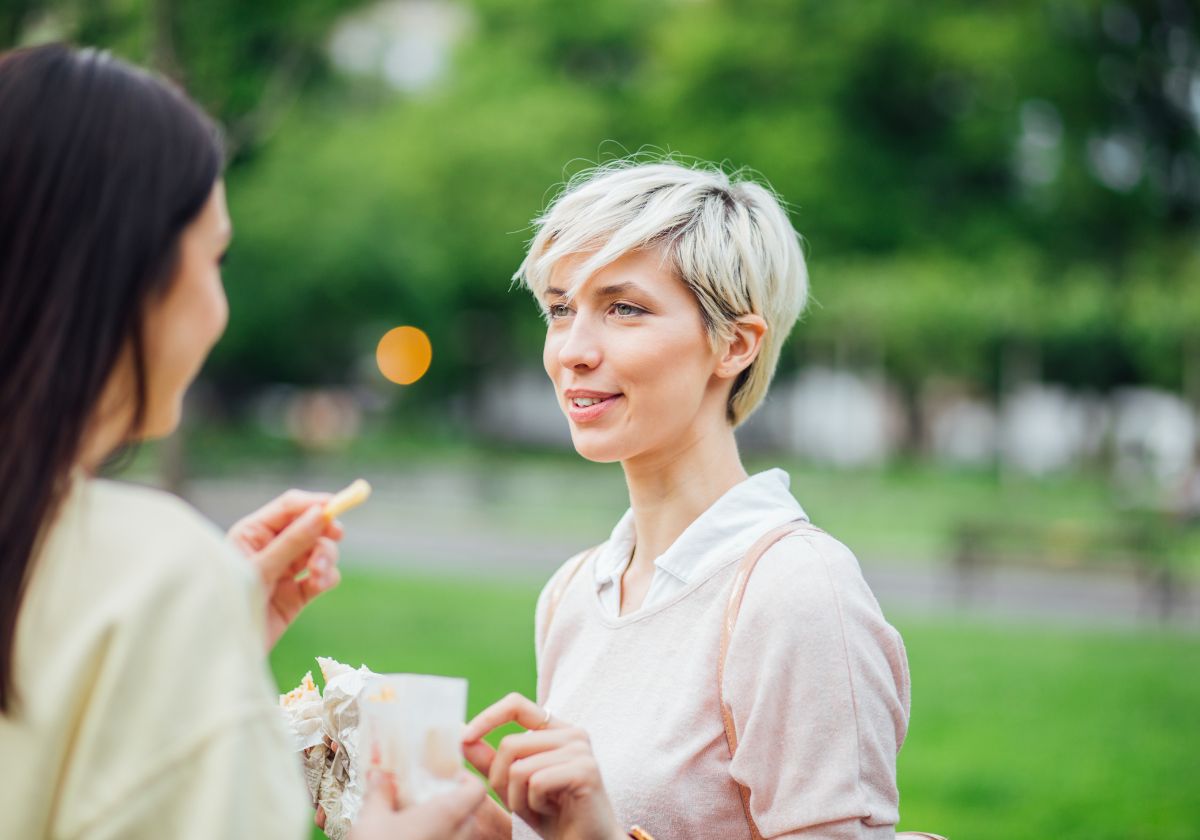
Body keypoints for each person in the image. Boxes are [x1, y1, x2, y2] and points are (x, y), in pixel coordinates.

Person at [0, 43, 483, 839]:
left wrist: (207, 646)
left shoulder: (152, 587)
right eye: (215, 256)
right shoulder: (162, 576)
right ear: (131, 276)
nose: (220, 308)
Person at [462, 160, 911, 839]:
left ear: (734, 344)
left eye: (624, 309)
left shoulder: (796, 590)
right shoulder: (572, 593)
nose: (573, 351)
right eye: (560, 309)